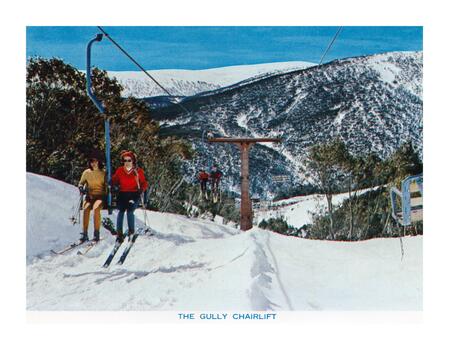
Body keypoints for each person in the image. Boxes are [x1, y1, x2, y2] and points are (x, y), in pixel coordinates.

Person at [111, 150, 148, 242]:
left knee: (130, 211)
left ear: (133, 161)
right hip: (123, 194)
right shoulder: (120, 170)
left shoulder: (137, 171)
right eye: (125, 160)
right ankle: (119, 234)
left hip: (134, 194)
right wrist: (112, 184)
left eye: (129, 160)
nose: (127, 163)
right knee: (121, 211)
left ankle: (131, 232)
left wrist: (141, 190)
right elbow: (114, 180)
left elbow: (144, 183)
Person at [78, 152, 107, 243]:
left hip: (100, 196)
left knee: (96, 208)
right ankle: (85, 233)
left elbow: (107, 185)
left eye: (95, 162)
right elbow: (81, 182)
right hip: (90, 196)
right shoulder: (87, 172)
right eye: (92, 162)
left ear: (99, 162)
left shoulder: (103, 172)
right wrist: (81, 187)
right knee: (86, 209)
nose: (94, 164)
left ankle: (96, 233)